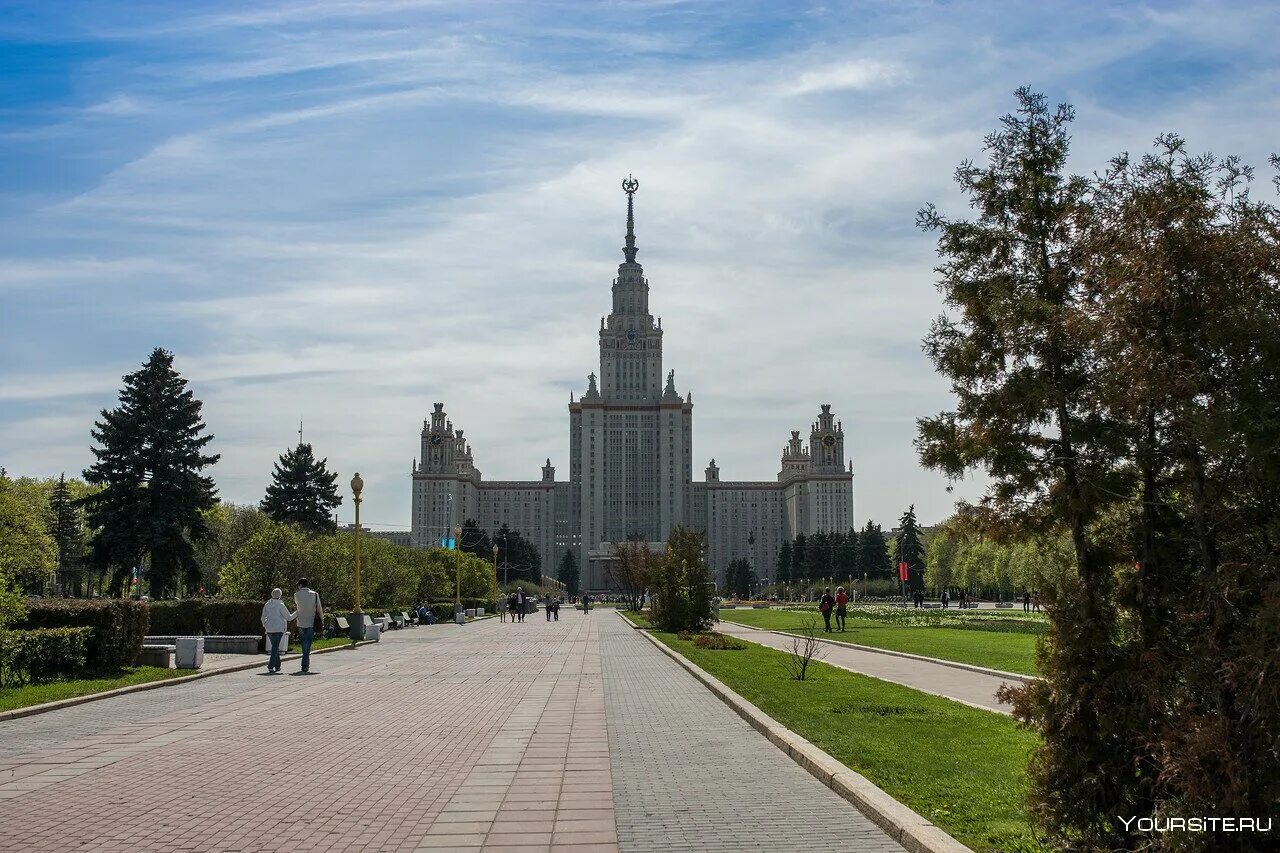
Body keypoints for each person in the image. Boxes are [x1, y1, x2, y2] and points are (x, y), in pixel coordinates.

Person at [260, 588, 294, 674]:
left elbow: (263, 617)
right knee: (275, 647)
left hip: (269, 629)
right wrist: (297, 612)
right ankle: (270, 666)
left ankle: (277, 666)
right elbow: (288, 617)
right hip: (278, 629)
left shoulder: (267, 604)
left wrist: (265, 625)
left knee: (275, 647)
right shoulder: (281, 605)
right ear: (280, 595)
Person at [293, 578, 322, 674]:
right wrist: (322, 619)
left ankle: (304, 664)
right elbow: (319, 608)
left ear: (300, 585)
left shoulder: (296, 595)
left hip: (301, 621)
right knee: (308, 643)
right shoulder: (315, 594)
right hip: (311, 621)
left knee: (303, 642)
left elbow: (298, 606)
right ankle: (305, 664)